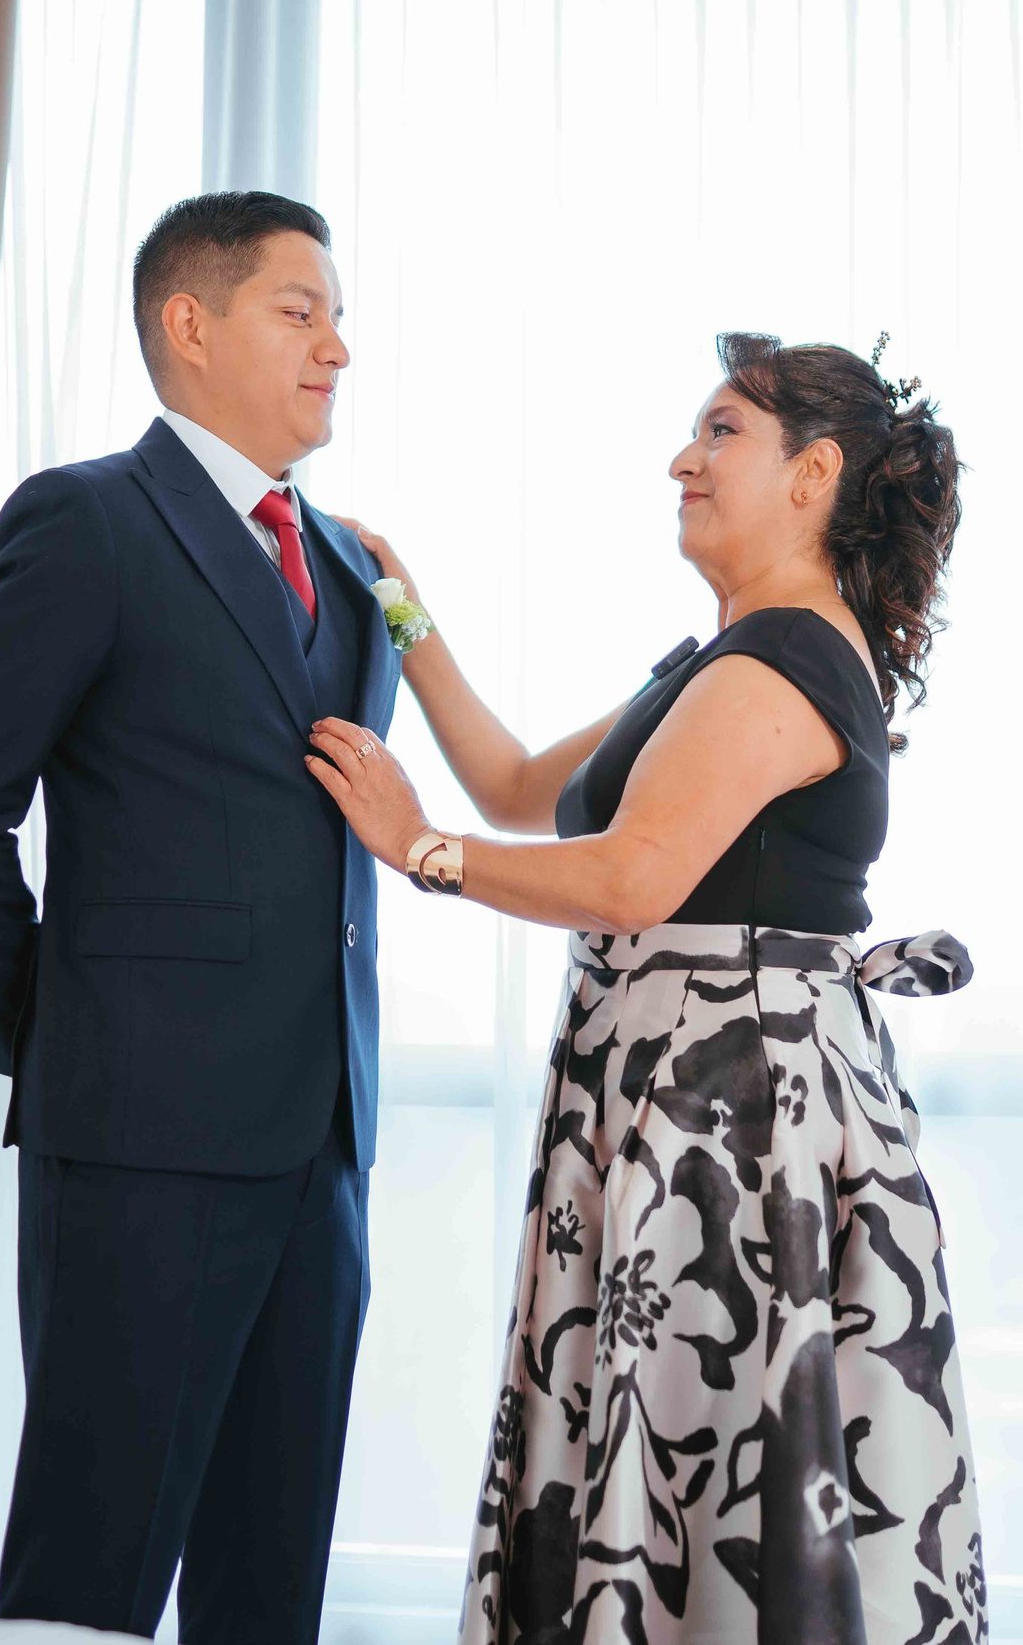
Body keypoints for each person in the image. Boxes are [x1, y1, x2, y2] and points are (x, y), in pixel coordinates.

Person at [307, 332, 985, 1645]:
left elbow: (630, 881)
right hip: (680, 1115)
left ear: (813, 475)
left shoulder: (783, 661)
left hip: (728, 1134)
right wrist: (400, 604)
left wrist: (415, 852)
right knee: (676, 1473)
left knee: (709, 1479)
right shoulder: (717, 663)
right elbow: (514, 783)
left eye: (722, 430)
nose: (684, 457)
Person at [0, 191, 395, 1644]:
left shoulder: (353, 571)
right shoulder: (90, 520)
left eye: (340, 318)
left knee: (268, 1589)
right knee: (90, 1583)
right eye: (302, 312)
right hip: (138, 1149)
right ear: (191, 324)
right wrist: (57, 1032)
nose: (337, 348)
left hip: (322, 1152)